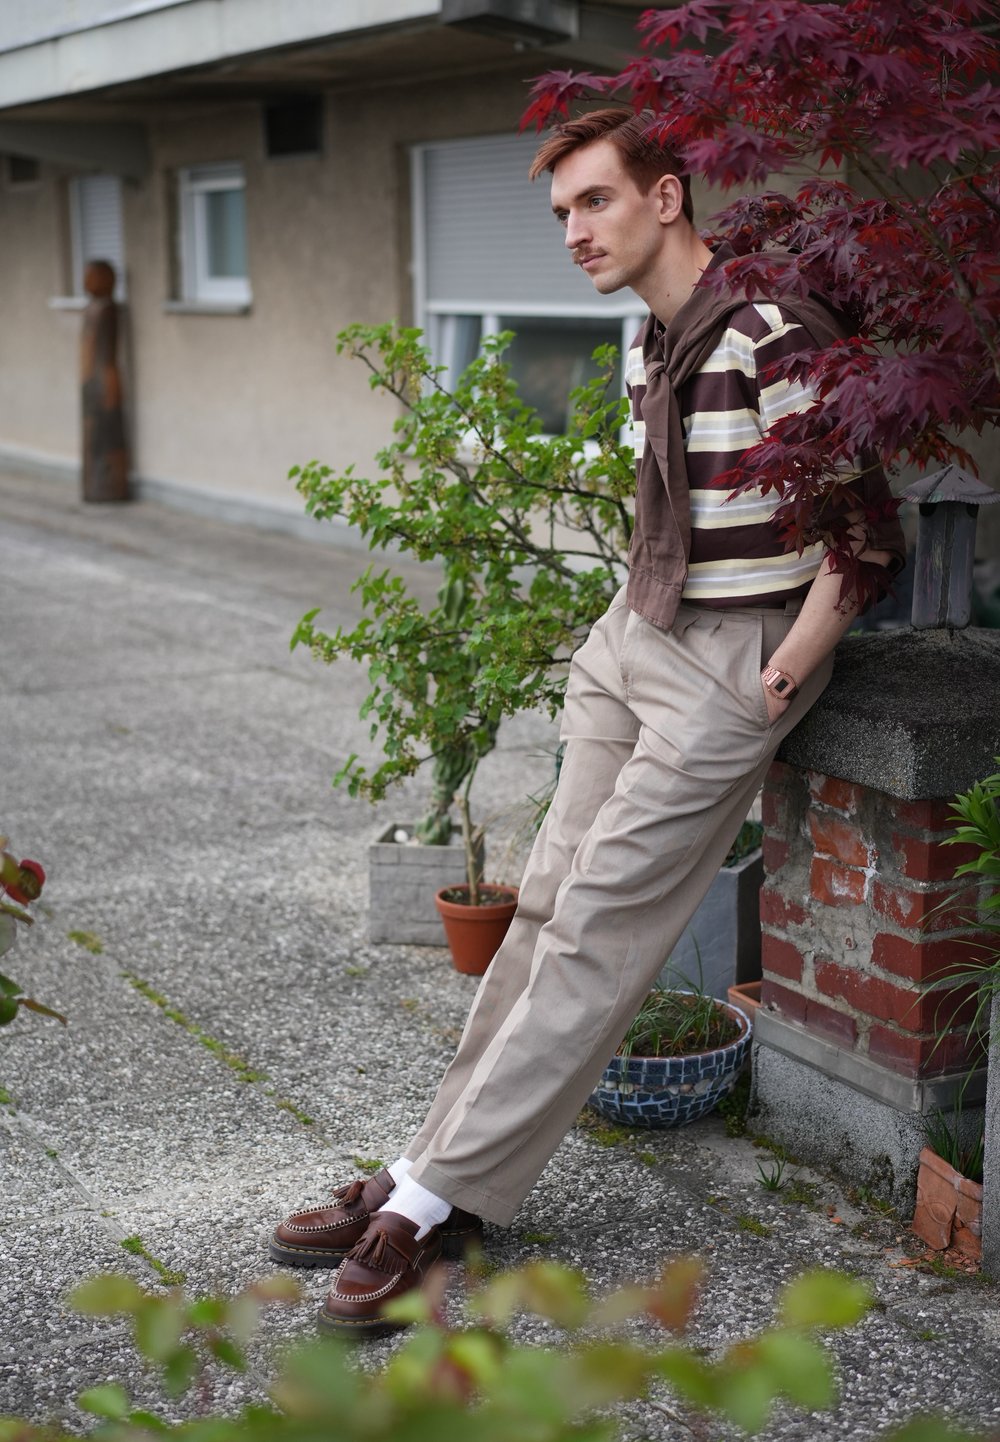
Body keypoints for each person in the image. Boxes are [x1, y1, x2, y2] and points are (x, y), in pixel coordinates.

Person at [271, 108, 905, 1335]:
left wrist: (783, 673)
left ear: (666, 198)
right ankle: (434, 1172)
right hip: (632, 640)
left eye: (595, 200)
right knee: (542, 913)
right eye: (561, 210)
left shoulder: (769, 331)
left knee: (597, 929)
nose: (573, 230)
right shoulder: (652, 341)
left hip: (732, 658)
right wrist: (615, 635)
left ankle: (425, 1201)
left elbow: (863, 531)